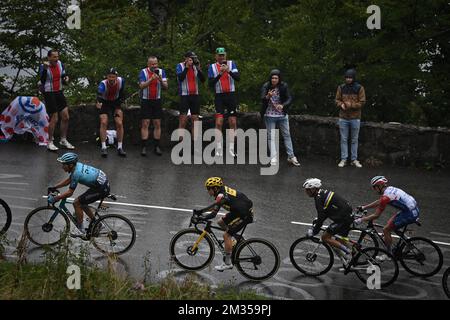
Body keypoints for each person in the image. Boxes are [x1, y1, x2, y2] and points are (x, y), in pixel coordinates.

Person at [194, 177, 254, 271]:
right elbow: (214, 206)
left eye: (208, 189)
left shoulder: (221, 196)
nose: (208, 191)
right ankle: (234, 240)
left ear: (215, 188)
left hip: (244, 214)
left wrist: (202, 217)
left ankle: (228, 263)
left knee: (226, 235)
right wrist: (200, 212)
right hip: (238, 211)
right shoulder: (221, 192)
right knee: (220, 222)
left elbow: (213, 214)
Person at [47, 152, 110, 236]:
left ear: (70, 165)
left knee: (77, 203)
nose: (62, 167)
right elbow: (70, 180)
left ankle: (81, 230)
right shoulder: (76, 166)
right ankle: (97, 223)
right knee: (83, 203)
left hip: (101, 188)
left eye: (64, 164)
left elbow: (70, 193)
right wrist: (55, 187)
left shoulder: (77, 173)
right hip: (100, 184)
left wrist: (56, 198)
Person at [355, 176, 420, 255]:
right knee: (391, 223)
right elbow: (379, 201)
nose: (374, 189)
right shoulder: (390, 189)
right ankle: (409, 244)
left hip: (409, 213)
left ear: (379, 186)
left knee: (386, 229)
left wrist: (361, 220)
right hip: (412, 210)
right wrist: (364, 207)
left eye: (374, 187)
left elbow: (376, 215)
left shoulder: (386, 197)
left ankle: (388, 254)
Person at [303, 178, 354, 264]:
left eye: (308, 190)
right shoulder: (322, 193)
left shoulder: (318, 198)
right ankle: (353, 256)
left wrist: (314, 231)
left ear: (314, 189)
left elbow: (321, 216)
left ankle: (350, 253)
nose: (306, 192)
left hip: (343, 218)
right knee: (339, 241)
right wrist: (318, 220)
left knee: (325, 237)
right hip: (346, 214)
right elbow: (326, 211)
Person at [261, 69, 300, 166]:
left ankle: (291, 156)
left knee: (287, 135)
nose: (274, 80)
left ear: (279, 79)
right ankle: (273, 157)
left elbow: (289, 98)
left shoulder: (283, 86)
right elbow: (262, 99)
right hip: (270, 115)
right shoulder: (266, 86)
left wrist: (283, 105)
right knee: (271, 137)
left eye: (276, 78)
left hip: (282, 114)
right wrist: (267, 96)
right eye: (272, 78)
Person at [39, 49, 75, 151]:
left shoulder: (60, 64)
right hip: (49, 92)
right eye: (54, 57)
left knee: (66, 116)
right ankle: (49, 142)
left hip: (59, 91)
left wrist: (66, 78)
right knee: (54, 118)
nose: (56, 59)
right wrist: (46, 69)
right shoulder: (43, 66)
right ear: (49, 57)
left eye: (57, 56)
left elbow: (63, 74)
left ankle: (63, 140)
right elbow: (42, 80)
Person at [208, 47, 240, 157]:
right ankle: (219, 148)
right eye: (219, 55)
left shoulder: (232, 64)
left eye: (223, 55)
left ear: (225, 55)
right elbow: (210, 84)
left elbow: (238, 78)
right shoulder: (212, 67)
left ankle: (231, 149)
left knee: (233, 122)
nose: (221, 57)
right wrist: (220, 74)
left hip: (231, 95)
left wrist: (228, 70)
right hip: (219, 96)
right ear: (216, 56)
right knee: (219, 122)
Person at [335, 68, 366, 168]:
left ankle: (354, 159)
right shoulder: (341, 87)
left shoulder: (359, 88)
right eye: (347, 77)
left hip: (355, 117)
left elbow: (362, 102)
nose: (348, 79)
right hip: (343, 117)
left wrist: (350, 105)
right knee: (343, 139)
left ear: (354, 78)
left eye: (350, 78)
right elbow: (336, 100)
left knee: (354, 139)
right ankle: (344, 159)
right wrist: (341, 105)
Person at [139, 56, 168, 156]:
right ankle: (144, 147)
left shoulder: (161, 71)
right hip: (146, 100)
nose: (154, 66)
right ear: (148, 64)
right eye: (152, 64)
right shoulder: (143, 72)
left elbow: (166, 87)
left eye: (155, 64)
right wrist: (151, 79)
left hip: (157, 100)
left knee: (157, 123)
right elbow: (141, 86)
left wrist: (160, 79)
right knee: (145, 123)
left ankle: (156, 147)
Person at [176, 51, 205, 149]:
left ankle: (195, 146)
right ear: (186, 58)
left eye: (194, 58)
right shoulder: (180, 66)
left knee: (195, 121)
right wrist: (187, 67)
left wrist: (198, 68)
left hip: (195, 96)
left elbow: (203, 79)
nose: (192, 60)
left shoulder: (195, 67)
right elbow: (180, 78)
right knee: (183, 120)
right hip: (184, 96)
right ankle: (181, 146)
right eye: (191, 58)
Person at [96, 68, 126, 158]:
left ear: (116, 77)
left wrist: (121, 100)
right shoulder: (103, 84)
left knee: (119, 123)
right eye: (109, 77)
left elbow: (122, 92)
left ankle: (120, 147)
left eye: (113, 77)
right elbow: (99, 94)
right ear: (107, 77)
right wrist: (98, 102)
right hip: (105, 102)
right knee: (104, 122)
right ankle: (104, 146)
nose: (111, 79)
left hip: (115, 103)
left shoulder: (121, 81)